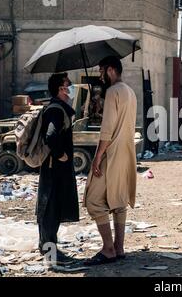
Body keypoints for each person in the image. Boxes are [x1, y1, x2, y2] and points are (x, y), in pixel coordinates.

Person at [83, 56, 137, 265]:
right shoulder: (130, 92)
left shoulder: (113, 91)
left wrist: (97, 157)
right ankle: (119, 248)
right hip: (126, 152)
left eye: (101, 70)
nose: (100, 75)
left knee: (94, 200)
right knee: (119, 199)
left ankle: (108, 249)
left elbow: (107, 130)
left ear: (111, 70)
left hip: (111, 152)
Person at [37, 73, 79, 265]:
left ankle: (46, 246)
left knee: (51, 207)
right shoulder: (55, 110)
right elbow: (51, 137)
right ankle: (49, 251)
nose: (71, 87)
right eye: (68, 84)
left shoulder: (60, 108)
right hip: (54, 167)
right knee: (50, 209)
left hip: (55, 167)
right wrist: (60, 154)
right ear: (61, 89)